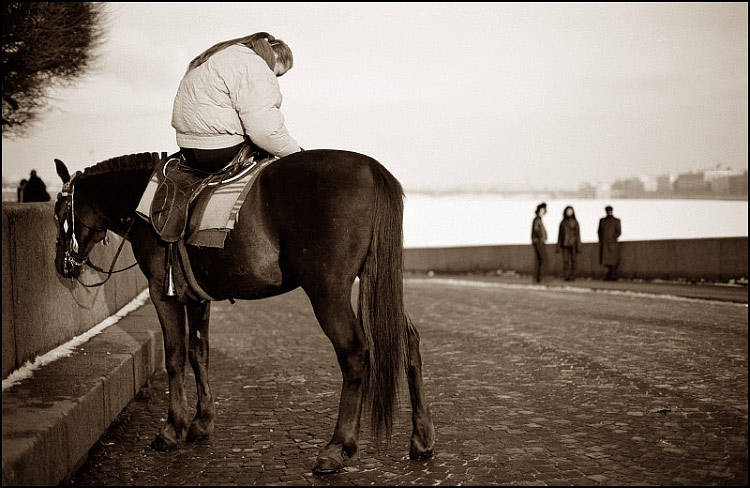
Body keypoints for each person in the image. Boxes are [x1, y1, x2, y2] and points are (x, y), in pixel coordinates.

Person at [171, 31, 302, 173]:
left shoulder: (221, 54)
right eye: (277, 73)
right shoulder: (254, 66)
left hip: (188, 148)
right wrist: (298, 154)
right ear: (275, 56)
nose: (274, 78)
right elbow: (265, 131)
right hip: (220, 150)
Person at [556, 205, 581, 281]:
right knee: (566, 261)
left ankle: (572, 276)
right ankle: (566, 276)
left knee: (573, 261)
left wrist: (578, 246)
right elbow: (560, 235)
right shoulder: (563, 222)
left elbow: (578, 234)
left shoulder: (575, 222)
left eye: (570, 211)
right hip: (565, 244)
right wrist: (558, 246)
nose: (569, 213)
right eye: (568, 211)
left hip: (573, 244)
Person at [598, 205, 621, 281]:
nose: (609, 212)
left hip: (612, 243)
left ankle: (612, 275)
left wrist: (613, 238)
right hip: (605, 243)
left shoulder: (616, 221)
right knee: (607, 260)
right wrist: (601, 239)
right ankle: (609, 275)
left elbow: (618, 232)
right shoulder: (602, 221)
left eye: (610, 211)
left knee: (612, 260)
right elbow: (599, 231)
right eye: (608, 211)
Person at [531, 202, 548, 283]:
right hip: (539, 242)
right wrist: (541, 238)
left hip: (538, 242)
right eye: (542, 210)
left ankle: (538, 278)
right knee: (543, 260)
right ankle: (540, 278)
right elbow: (536, 230)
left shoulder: (537, 219)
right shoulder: (537, 219)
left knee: (539, 260)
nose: (543, 212)